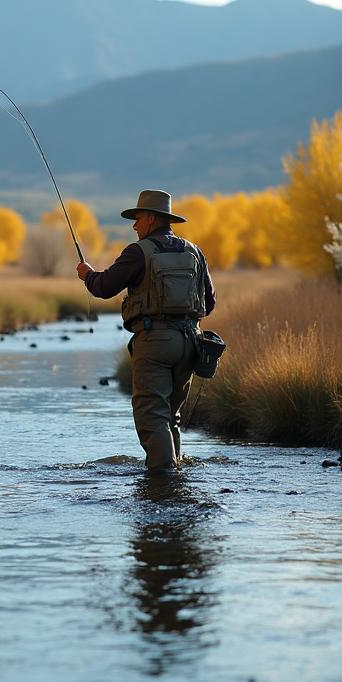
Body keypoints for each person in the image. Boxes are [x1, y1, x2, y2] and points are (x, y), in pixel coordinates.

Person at [76, 190, 215, 472]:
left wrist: (87, 274)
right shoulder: (194, 251)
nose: (134, 225)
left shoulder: (138, 252)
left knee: (152, 415)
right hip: (191, 342)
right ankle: (175, 474)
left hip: (154, 343)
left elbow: (103, 287)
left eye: (137, 218)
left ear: (151, 219)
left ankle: (162, 479)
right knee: (171, 415)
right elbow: (209, 302)